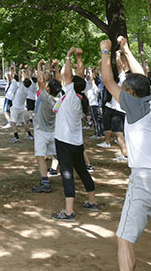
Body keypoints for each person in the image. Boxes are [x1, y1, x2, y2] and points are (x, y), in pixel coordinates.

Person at [100, 36, 151, 271]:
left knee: (124, 238)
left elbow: (108, 80)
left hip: (143, 180)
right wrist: (127, 50)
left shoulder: (134, 105)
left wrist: (105, 51)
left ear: (130, 93)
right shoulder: (146, 99)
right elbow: (142, 78)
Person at [51, 47, 97, 220]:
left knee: (67, 174)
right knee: (82, 171)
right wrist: (80, 57)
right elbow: (79, 76)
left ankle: (69, 212)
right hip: (77, 143)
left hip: (64, 141)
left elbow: (72, 75)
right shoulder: (80, 95)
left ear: (71, 84)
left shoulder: (70, 94)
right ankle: (92, 202)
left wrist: (68, 56)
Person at [31, 59, 61, 193]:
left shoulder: (45, 97)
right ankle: (68, 174)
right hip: (54, 132)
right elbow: (59, 83)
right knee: (57, 154)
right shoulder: (59, 99)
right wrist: (56, 68)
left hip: (41, 131)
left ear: (48, 89)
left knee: (40, 156)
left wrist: (39, 65)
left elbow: (40, 81)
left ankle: (45, 182)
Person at [98, 52, 129, 162]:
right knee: (122, 133)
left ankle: (125, 155)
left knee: (119, 134)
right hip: (124, 110)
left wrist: (117, 55)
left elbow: (120, 66)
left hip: (118, 111)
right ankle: (125, 153)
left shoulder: (123, 79)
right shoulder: (132, 81)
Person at [10, 66, 34, 143]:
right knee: (23, 122)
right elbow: (27, 79)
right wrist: (27, 71)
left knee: (13, 122)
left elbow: (20, 77)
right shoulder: (28, 89)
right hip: (20, 108)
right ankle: (30, 135)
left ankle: (16, 137)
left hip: (16, 108)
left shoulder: (21, 86)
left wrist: (20, 69)